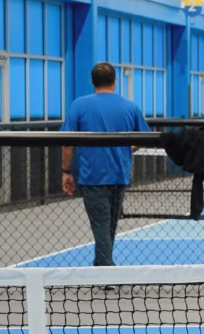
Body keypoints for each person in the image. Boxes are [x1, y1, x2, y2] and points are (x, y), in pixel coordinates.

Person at [61, 62, 149, 267]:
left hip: (92, 177)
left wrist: (66, 171)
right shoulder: (130, 106)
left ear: (92, 82)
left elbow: (67, 143)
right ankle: (103, 265)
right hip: (120, 175)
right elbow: (145, 137)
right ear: (115, 81)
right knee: (109, 226)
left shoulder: (79, 105)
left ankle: (104, 267)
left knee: (102, 225)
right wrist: (129, 148)